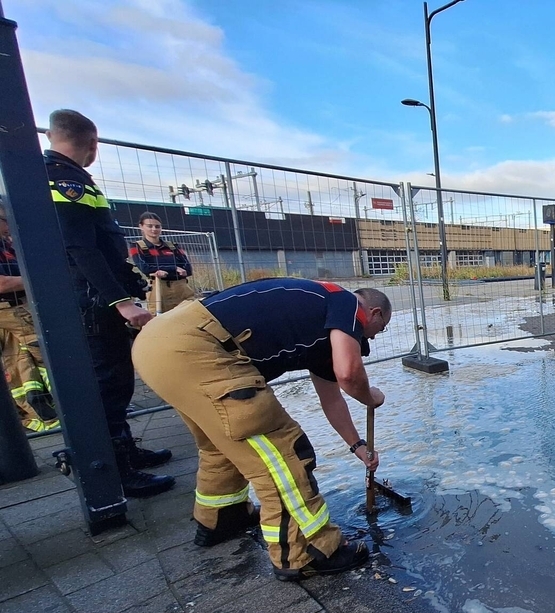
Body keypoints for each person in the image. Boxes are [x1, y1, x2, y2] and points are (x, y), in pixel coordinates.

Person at [132, 278, 391, 580]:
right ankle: (309, 551)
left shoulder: (319, 321)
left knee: (226, 444)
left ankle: (222, 518)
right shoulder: (346, 303)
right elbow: (349, 374)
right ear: (373, 313)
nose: (372, 338)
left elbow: (331, 398)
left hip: (159, 344)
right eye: (380, 329)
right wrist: (370, 397)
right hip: (200, 347)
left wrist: (357, 446)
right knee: (284, 456)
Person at [45, 109, 174, 497]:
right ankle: (116, 471)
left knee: (117, 382)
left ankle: (125, 451)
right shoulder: (66, 180)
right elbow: (81, 249)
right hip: (92, 302)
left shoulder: (64, 175)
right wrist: (121, 302)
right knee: (107, 383)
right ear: (92, 143)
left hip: (94, 298)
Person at [0, 201, 59, 432]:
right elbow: (3, 283)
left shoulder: (7, 245)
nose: (9, 226)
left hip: (18, 306)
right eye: (5, 220)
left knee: (20, 361)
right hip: (9, 308)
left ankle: (42, 411)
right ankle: (53, 409)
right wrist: (37, 280)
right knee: (46, 352)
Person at [129, 212, 194, 314]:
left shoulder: (173, 246)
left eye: (157, 226)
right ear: (141, 227)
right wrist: (174, 268)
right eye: (150, 226)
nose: (154, 229)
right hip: (158, 288)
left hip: (181, 287)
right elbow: (145, 268)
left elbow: (188, 269)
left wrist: (162, 270)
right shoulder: (137, 246)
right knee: (159, 319)